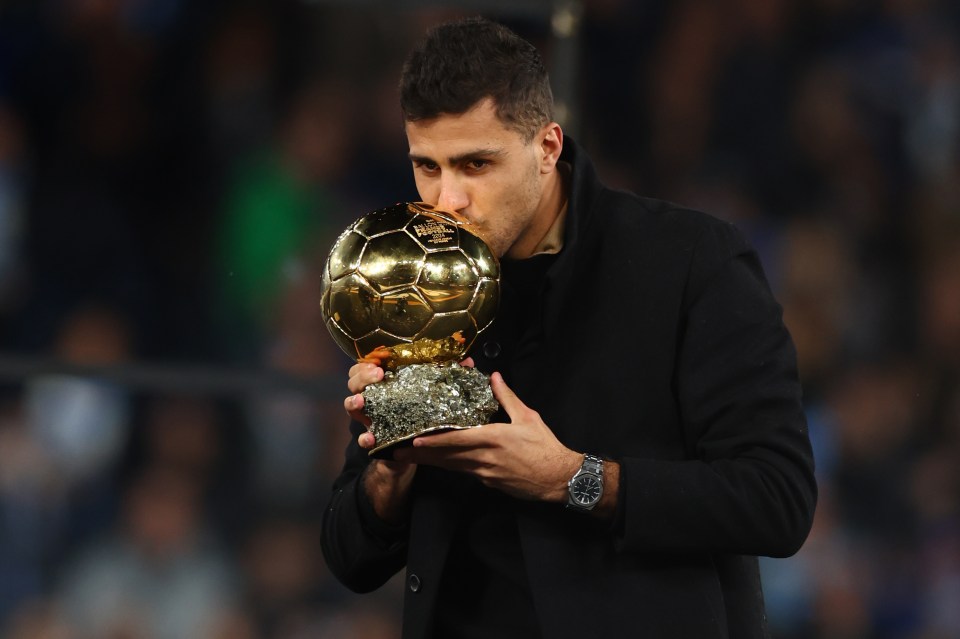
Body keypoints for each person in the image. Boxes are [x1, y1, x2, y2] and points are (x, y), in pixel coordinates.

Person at [321, 16, 817, 639]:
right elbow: (350, 559)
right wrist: (388, 471)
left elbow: (778, 500)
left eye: (476, 164)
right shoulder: (416, 287)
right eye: (428, 166)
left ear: (548, 147)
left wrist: (575, 479)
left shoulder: (689, 261)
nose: (447, 200)